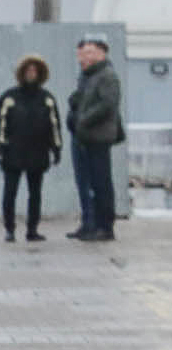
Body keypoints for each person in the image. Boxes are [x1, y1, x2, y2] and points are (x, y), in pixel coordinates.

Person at [0, 53, 63, 242]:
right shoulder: (9, 97)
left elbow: (54, 125)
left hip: (38, 152)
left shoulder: (47, 99)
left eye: (35, 70)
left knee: (35, 193)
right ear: (22, 73)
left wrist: (56, 148)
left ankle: (32, 229)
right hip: (13, 153)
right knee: (10, 192)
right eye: (28, 70)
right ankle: (9, 229)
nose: (32, 74)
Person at [67, 33, 124, 242]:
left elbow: (108, 104)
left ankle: (105, 226)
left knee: (101, 183)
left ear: (102, 53)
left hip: (98, 137)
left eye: (90, 52)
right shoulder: (88, 76)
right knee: (88, 182)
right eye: (83, 53)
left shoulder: (107, 75)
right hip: (85, 137)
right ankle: (90, 224)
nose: (85, 57)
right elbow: (84, 100)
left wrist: (84, 119)